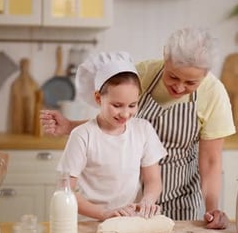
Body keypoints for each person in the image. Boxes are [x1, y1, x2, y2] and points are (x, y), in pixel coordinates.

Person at [41, 27, 235, 229]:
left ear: (205, 74)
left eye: (191, 82)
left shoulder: (214, 94)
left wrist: (212, 208)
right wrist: (71, 127)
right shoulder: (142, 74)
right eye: (173, 77)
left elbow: (211, 160)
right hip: (131, 204)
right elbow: (113, 121)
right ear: (164, 57)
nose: (179, 88)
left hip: (181, 195)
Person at [57, 51, 167, 221]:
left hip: (129, 221)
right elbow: (65, 190)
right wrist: (103, 214)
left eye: (132, 105)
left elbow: (153, 180)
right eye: (117, 105)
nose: (125, 114)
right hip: (89, 224)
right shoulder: (82, 135)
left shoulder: (143, 130)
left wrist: (147, 201)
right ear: (98, 98)